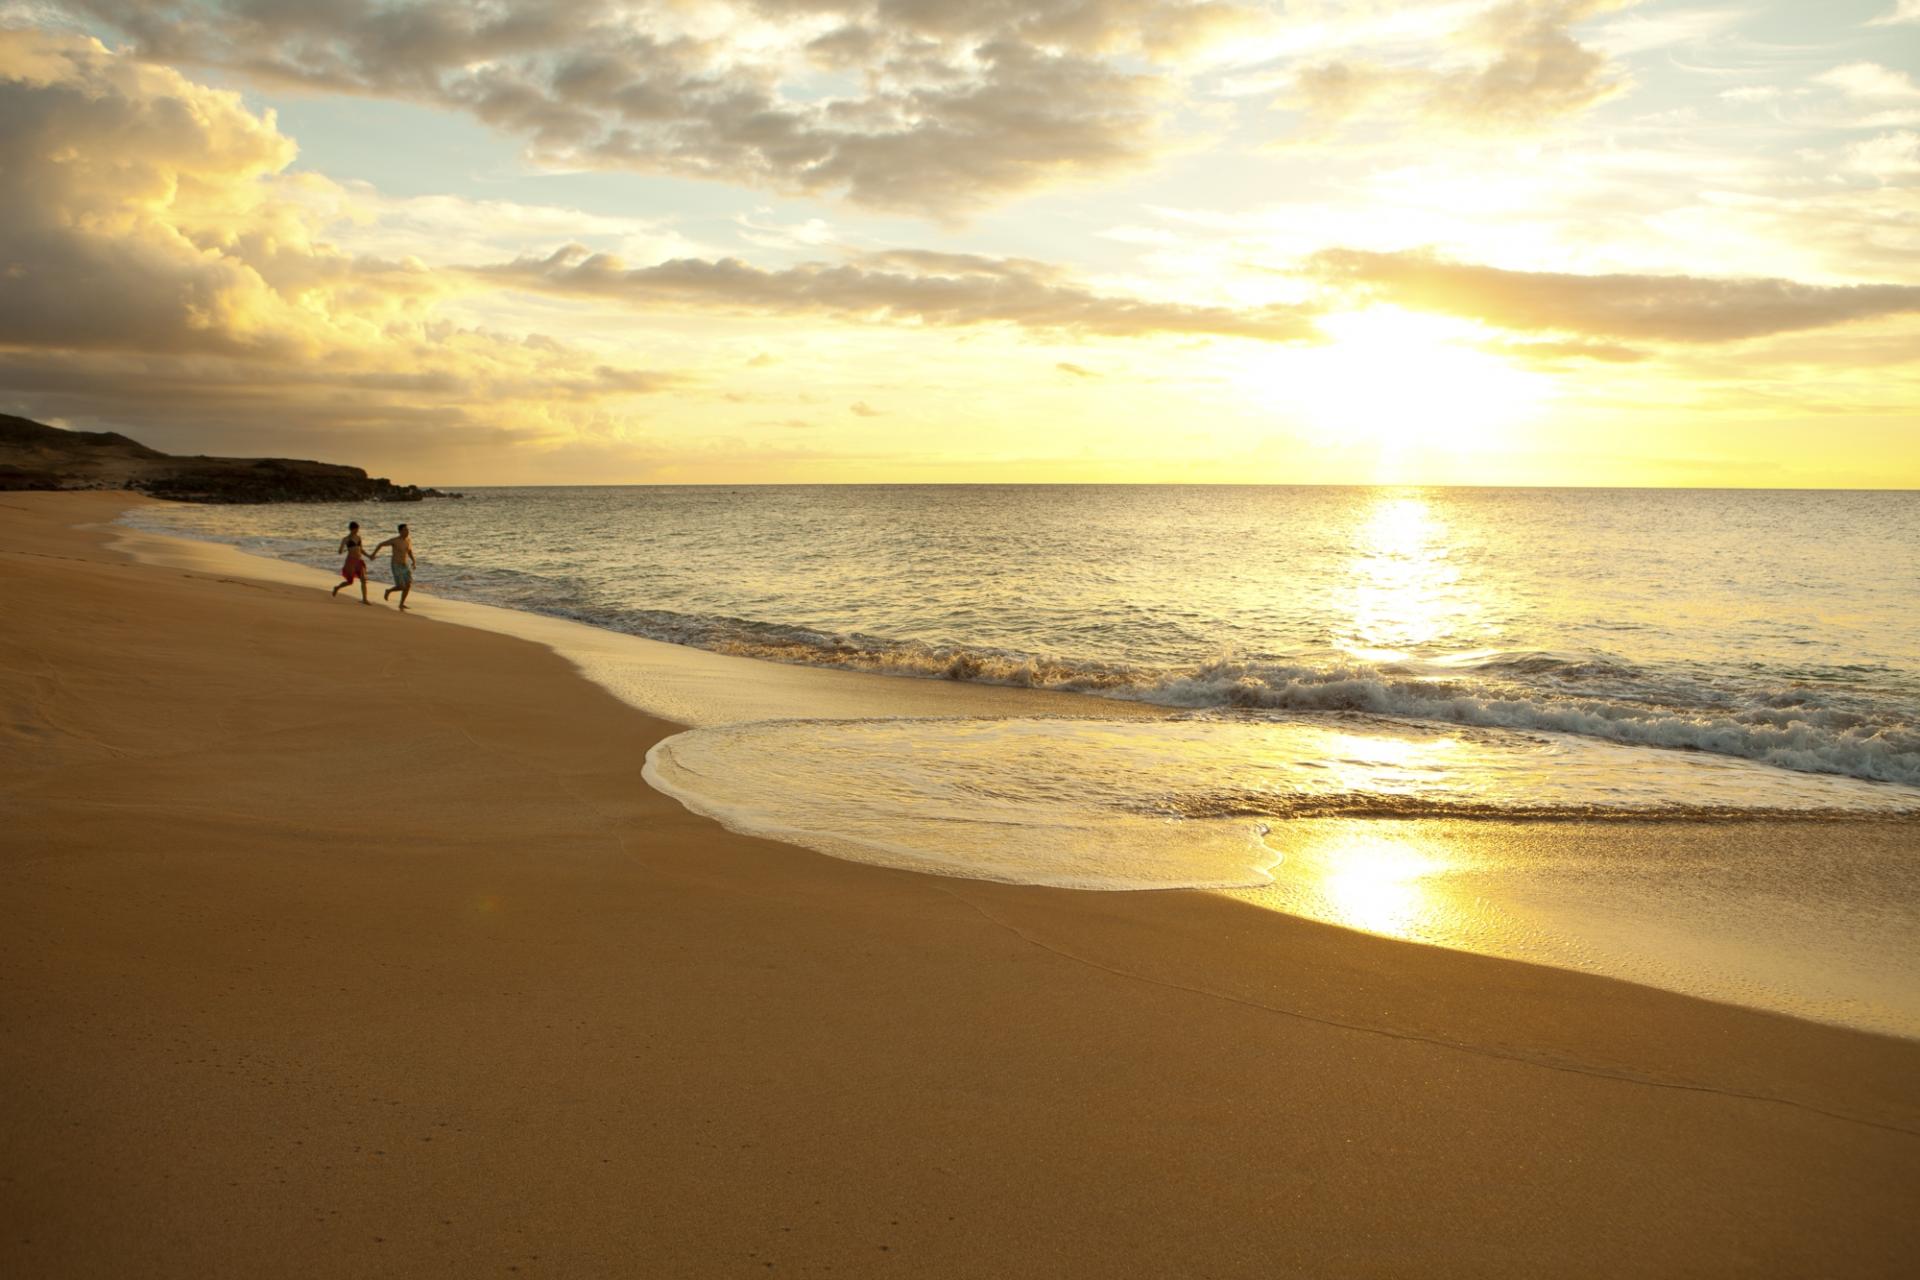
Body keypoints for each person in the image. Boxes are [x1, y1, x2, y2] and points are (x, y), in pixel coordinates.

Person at [369, 523, 417, 611]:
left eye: (408, 530)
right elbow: (381, 544)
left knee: (408, 585)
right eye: (405, 530)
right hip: (396, 565)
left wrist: (414, 561)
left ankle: (401, 604)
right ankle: (388, 591)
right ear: (400, 531)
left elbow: (409, 552)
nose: (407, 531)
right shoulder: (395, 541)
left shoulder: (408, 541)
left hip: (405, 565)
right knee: (401, 586)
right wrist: (373, 554)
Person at [331, 520, 370, 604]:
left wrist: (368, 556)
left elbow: (361, 549)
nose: (357, 531)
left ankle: (364, 599)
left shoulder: (359, 537)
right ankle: (337, 588)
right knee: (350, 582)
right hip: (351, 561)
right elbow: (340, 551)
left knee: (363, 580)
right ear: (351, 529)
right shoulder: (346, 539)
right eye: (356, 529)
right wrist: (341, 550)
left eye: (357, 529)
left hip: (359, 561)